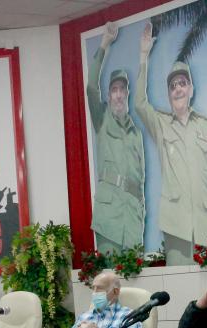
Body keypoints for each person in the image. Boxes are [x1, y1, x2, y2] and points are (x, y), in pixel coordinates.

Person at [136, 22, 207, 265]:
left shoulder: (206, 126)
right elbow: (139, 104)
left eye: (182, 83)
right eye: (173, 86)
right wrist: (144, 56)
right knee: (178, 285)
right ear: (169, 93)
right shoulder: (161, 124)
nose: (177, 89)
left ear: (191, 89)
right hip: (176, 227)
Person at [88, 21, 145, 254]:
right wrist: (104, 44)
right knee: (110, 273)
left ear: (127, 94)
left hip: (132, 219)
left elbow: (141, 178)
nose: (119, 95)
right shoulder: (101, 118)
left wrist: (141, 211)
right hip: (109, 216)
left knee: (135, 274)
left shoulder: (136, 133)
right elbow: (91, 87)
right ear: (109, 95)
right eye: (114, 90)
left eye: (122, 89)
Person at [57, 271, 142, 328]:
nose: (94, 293)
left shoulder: (129, 316)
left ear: (115, 291)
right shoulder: (84, 317)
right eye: (93, 288)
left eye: (99, 288)